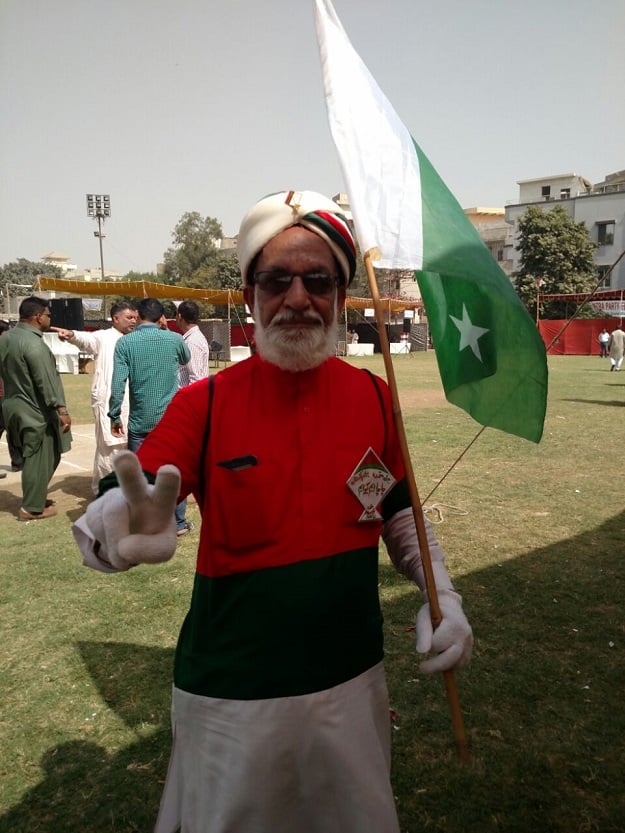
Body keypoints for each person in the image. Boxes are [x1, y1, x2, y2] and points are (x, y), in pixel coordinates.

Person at [72, 190, 473, 833]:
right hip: (231, 695)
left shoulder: (374, 395)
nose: (296, 298)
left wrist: (442, 593)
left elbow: (398, 516)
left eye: (318, 280)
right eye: (275, 279)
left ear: (342, 295)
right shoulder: (206, 403)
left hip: (353, 679)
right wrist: (116, 527)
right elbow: (133, 492)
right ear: (250, 293)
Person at [107, 297, 191, 536]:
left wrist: (114, 415)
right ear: (162, 317)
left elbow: (117, 384)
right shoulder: (174, 339)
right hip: (171, 419)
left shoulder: (125, 343)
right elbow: (186, 358)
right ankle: (178, 522)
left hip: (140, 420)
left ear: (138, 315)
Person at [51, 302, 138, 494]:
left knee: (128, 446)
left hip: (132, 404)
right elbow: (86, 340)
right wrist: (72, 335)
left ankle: (123, 489)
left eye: (135, 317)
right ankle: (105, 491)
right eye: (129, 317)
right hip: (108, 402)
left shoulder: (136, 339)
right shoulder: (104, 337)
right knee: (110, 447)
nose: (134, 321)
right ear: (115, 319)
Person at [0, 297, 71, 520]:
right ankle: (31, 507)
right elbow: (45, 380)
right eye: (48, 314)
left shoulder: (7, 338)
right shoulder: (33, 343)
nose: (49, 318)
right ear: (37, 316)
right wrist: (61, 409)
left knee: (35, 455)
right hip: (35, 410)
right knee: (41, 455)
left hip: (12, 405)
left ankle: (36, 495)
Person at [173, 300, 210, 535]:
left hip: (193, 406)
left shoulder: (194, 342)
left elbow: (196, 378)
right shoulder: (189, 339)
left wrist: (191, 410)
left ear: (179, 317)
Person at [0, 320, 24, 476]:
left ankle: (17, 462)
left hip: (7, 394)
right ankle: (17, 462)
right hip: (3, 395)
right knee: (9, 428)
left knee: (12, 429)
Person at [175, 300, 210, 386]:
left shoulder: (192, 342)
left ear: (179, 316)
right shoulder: (193, 338)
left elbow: (195, 379)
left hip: (188, 396)